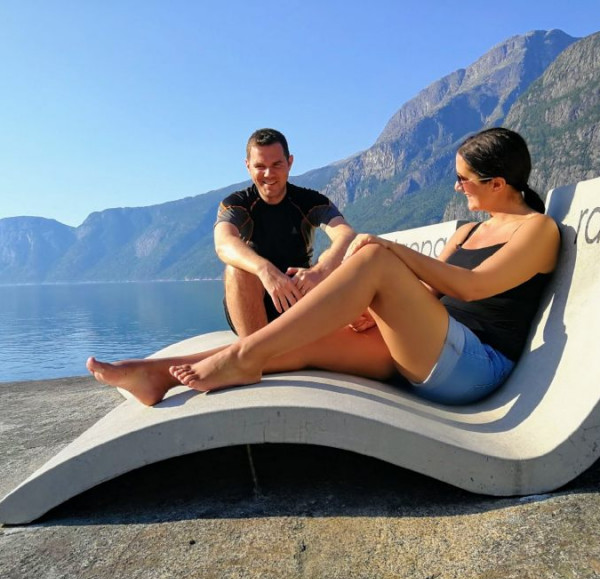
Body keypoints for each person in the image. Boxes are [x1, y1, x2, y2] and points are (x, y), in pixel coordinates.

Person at [87, 127, 560, 408]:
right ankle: (154, 376)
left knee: (374, 255)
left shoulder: (537, 230)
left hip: (476, 367)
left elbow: (472, 287)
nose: (457, 188)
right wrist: (373, 312)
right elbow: (432, 295)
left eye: (463, 179)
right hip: (429, 346)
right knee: (300, 348)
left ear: (497, 183)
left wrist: (388, 253)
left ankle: (241, 357)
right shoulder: (467, 232)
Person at [215, 128, 355, 336]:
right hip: (251, 303)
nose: (268, 174)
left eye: (276, 165)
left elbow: (346, 234)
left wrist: (320, 271)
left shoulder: (311, 202)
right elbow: (224, 242)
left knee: (346, 259)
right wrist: (265, 271)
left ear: (289, 163)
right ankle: (255, 351)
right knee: (235, 270)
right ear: (248, 167)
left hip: (298, 299)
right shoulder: (236, 204)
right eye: (260, 166)